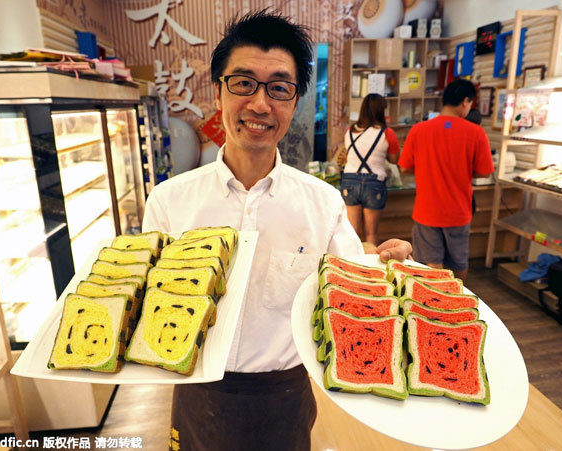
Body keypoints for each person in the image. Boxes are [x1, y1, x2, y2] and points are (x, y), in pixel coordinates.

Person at [142, 10, 412, 451]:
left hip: (284, 395)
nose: (260, 104)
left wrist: (387, 266)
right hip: (196, 389)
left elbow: (349, 281)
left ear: (294, 100)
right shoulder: (169, 201)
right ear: (219, 91)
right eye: (243, 83)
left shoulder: (322, 201)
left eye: (279, 88)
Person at [398, 79, 494, 281]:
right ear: (466, 102)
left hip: (427, 211)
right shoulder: (476, 133)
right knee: (458, 265)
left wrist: (427, 168)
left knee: (430, 264)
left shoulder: (418, 130)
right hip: (458, 211)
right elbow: (485, 172)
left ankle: (431, 306)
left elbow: (404, 167)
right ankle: (456, 304)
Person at [340, 93, 400, 244]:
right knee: (371, 233)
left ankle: (350, 265)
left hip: (349, 180)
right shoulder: (387, 133)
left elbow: (349, 154)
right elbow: (394, 160)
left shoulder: (350, 131)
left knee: (352, 233)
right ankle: (369, 266)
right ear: (381, 111)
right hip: (374, 183)